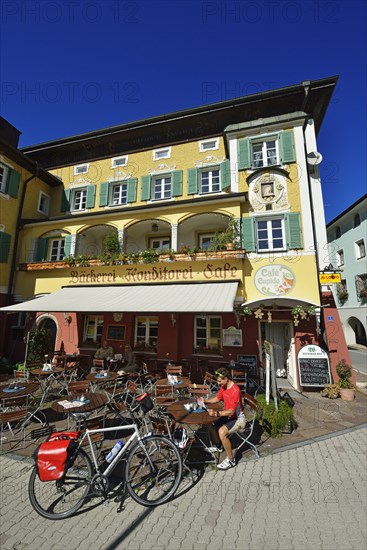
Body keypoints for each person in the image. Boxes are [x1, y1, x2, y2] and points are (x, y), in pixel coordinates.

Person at [204, 367, 245, 470]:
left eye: (220, 381)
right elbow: (218, 398)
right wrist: (206, 401)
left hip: (238, 419)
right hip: (229, 416)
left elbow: (231, 411)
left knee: (222, 432)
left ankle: (231, 460)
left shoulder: (235, 391)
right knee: (211, 422)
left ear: (226, 378)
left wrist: (217, 413)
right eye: (217, 381)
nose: (218, 383)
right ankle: (218, 446)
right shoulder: (224, 386)